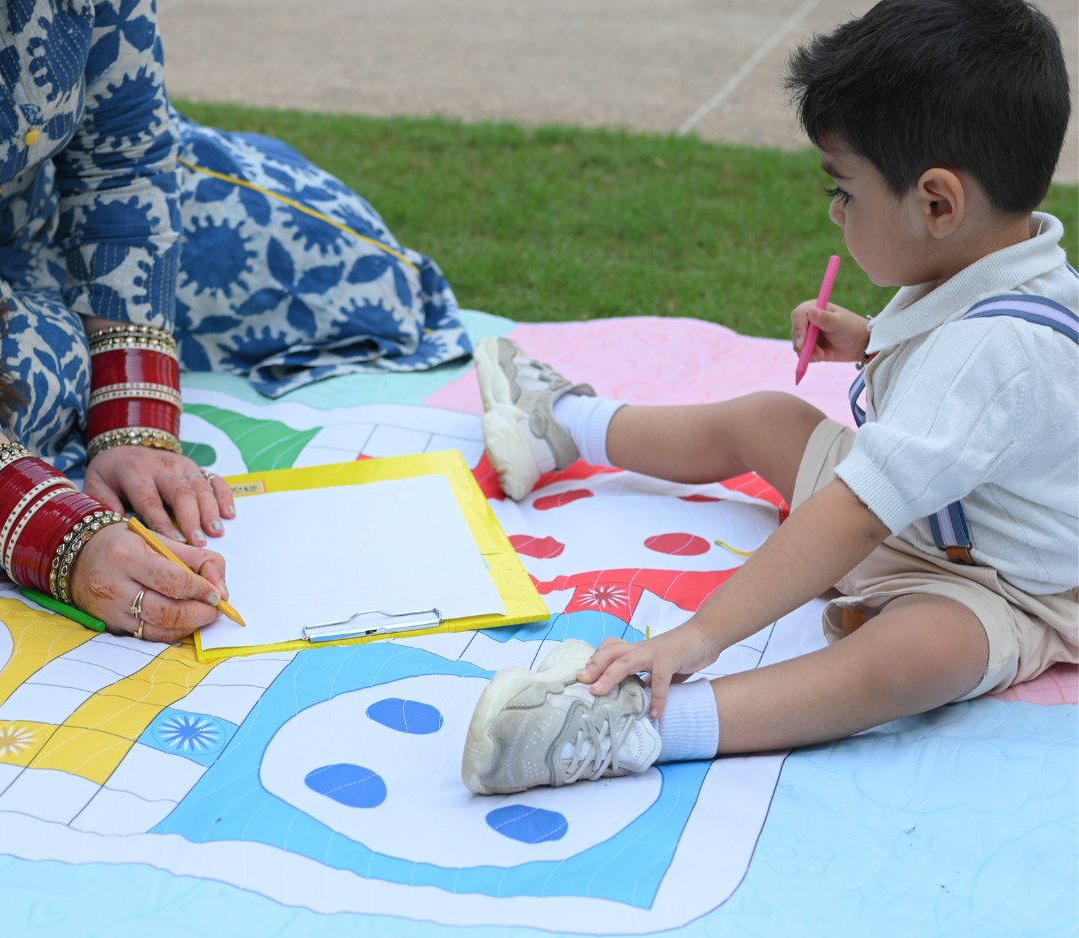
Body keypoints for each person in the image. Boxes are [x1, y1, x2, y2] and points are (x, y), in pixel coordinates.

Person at [460, 0, 1078, 795]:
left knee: (920, 655)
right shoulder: (1004, 261)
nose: (835, 210)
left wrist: (697, 636)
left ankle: (638, 727)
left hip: (997, 580)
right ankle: (564, 422)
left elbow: (859, 507)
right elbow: (958, 389)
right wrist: (870, 341)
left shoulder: (998, 351)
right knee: (766, 420)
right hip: (934, 515)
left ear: (937, 203)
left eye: (845, 190)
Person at [0, 0, 469, 642]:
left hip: (42, 195)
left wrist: (133, 421)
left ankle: (223, 156)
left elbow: (123, 167)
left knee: (373, 286)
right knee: (40, 373)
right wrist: (61, 539)